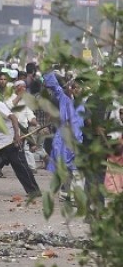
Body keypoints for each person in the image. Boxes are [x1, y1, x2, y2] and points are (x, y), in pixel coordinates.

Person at [44, 72, 84, 201]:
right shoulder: (63, 98)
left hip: (77, 140)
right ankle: (67, 193)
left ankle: (74, 195)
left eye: (79, 88)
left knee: (76, 169)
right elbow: (54, 85)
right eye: (74, 87)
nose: (76, 90)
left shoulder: (84, 103)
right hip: (63, 140)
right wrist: (48, 69)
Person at [5, 79, 40, 171]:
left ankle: (31, 168)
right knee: (10, 151)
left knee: (25, 149)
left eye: (25, 87)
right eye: (22, 87)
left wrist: (36, 124)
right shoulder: (9, 99)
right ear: (16, 88)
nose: (24, 89)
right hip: (12, 129)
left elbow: (30, 115)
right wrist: (19, 97)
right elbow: (8, 108)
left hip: (24, 130)